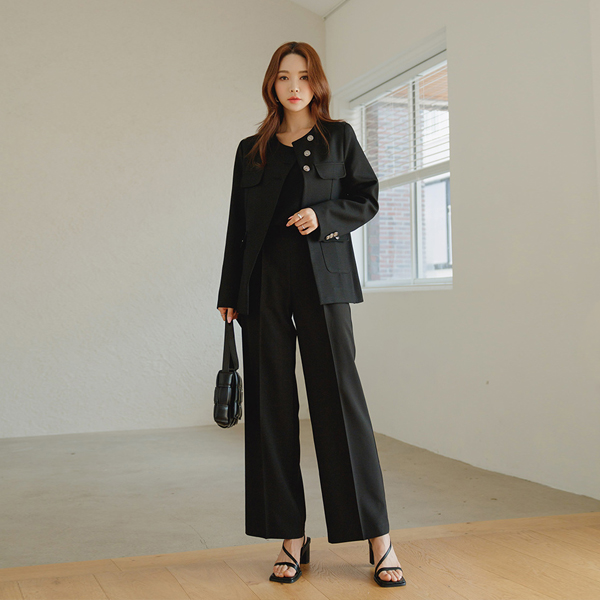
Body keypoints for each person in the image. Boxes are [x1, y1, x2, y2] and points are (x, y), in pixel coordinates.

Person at [216, 41, 406, 588]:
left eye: (302, 76)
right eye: (283, 76)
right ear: (271, 84)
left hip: (325, 281)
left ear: (316, 83)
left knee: (340, 404)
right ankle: (291, 537)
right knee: (271, 408)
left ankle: (378, 536)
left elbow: (366, 197)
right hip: (263, 286)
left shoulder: (338, 137)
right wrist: (229, 290)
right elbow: (237, 225)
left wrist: (323, 216)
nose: (293, 86)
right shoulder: (250, 150)